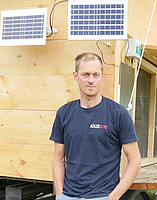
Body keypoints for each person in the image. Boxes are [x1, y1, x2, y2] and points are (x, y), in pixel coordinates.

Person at [50, 52, 141, 200]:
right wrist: (60, 194)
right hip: (68, 196)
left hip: (103, 196)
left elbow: (135, 160)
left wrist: (113, 197)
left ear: (102, 77)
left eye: (95, 75)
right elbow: (58, 158)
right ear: (75, 76)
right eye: (85, 74)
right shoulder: (64, 113)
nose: (91, 80)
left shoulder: (118, 114)